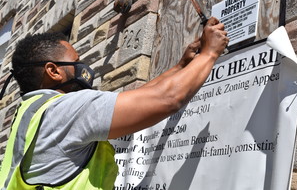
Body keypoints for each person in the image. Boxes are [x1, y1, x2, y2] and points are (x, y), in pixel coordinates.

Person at [0, 17, 228, 189]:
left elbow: (137, 100)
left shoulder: (33, 112)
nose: (83, 67)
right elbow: (167, 99)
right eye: (76, 62)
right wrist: (209, 53)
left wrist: (179, 67)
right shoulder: (67, 108)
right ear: (53, 71)